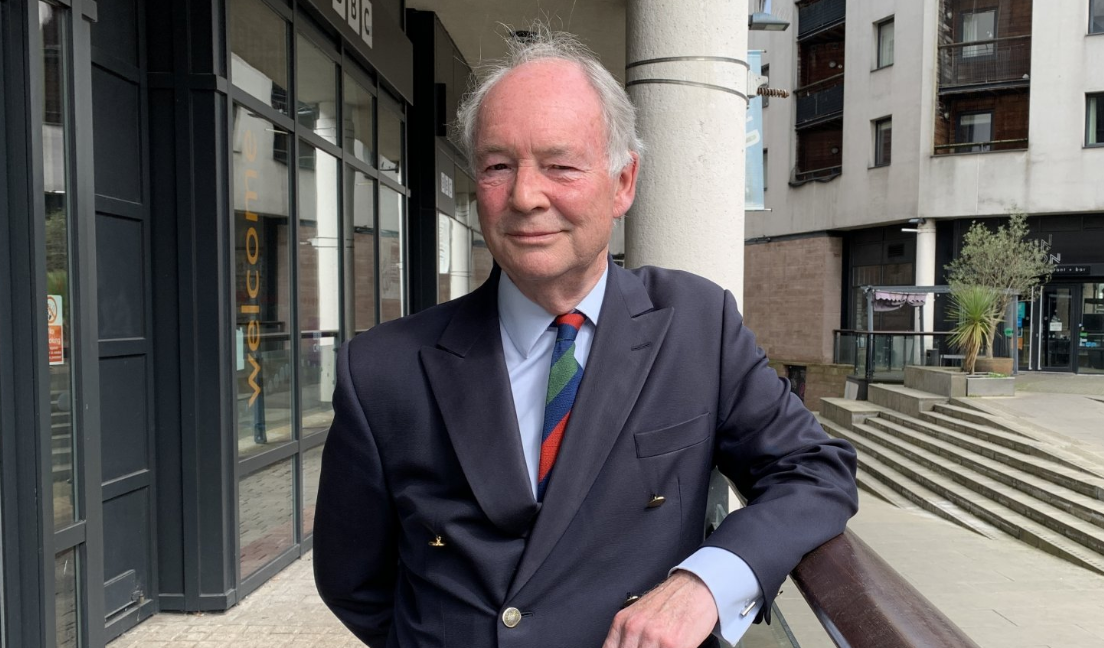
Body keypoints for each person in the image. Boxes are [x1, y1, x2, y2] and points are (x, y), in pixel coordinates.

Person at [313, 30, 858, 648]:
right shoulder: (383, 369)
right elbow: (351, 579)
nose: (524, 196)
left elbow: (815, 471)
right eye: (497, 166)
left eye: (559, 166)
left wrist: (708, 581)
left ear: (623, 182)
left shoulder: (697, 326)